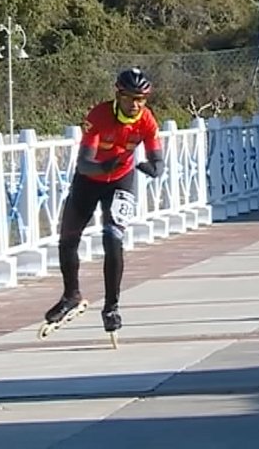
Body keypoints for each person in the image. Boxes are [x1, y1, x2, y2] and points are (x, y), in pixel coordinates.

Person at [39, 67, 165, 339]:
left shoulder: (146, 120)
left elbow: (158, 157)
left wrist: (154, 167)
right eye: (131, 98)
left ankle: (111, 307)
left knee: (113, 239)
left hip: (121, 180)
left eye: (141, 99)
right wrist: (105, 164)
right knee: (68, 239)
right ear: (118, 95)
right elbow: (84, 162)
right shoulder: (99, 115)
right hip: (90, 178)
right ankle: (71, 295)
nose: (136, 105)